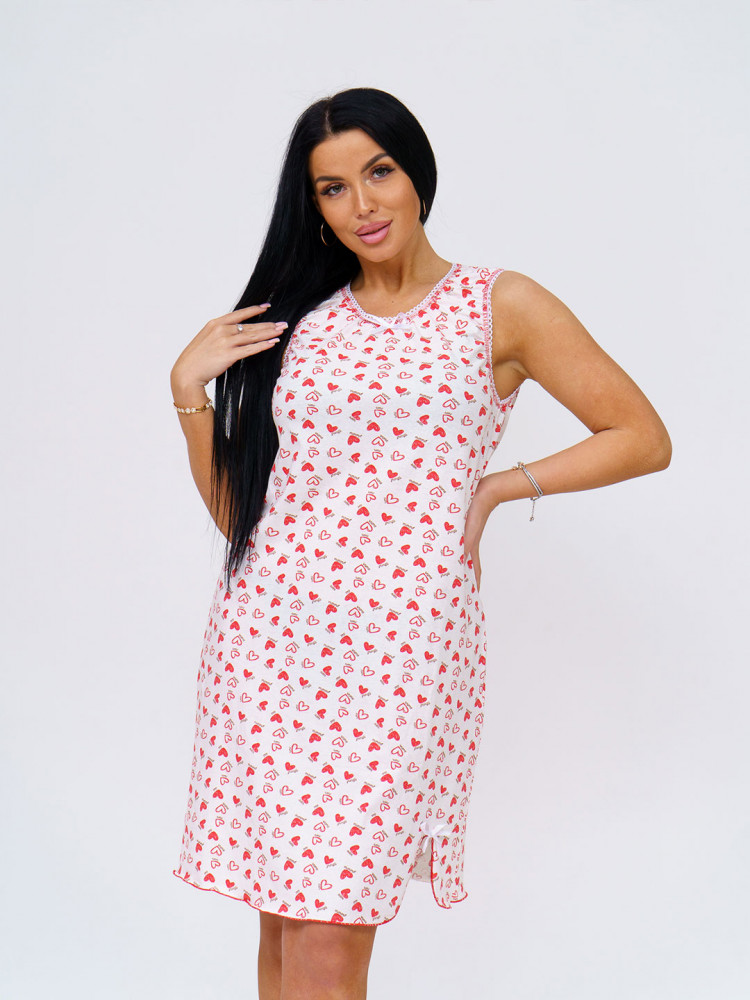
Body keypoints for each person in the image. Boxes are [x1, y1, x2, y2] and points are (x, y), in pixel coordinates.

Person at [170, 87, 671, 1000]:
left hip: (399, 654)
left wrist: (497, 488)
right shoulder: (301, 320)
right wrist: (188, 396)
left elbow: (641, 436)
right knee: (285, 928)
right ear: (313, 207)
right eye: (332, 188)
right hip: (270, 647)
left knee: (328, 936)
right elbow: (246, 521)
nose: (361, 205)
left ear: (416, 174)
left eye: (380, 172)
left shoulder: (498, 303)